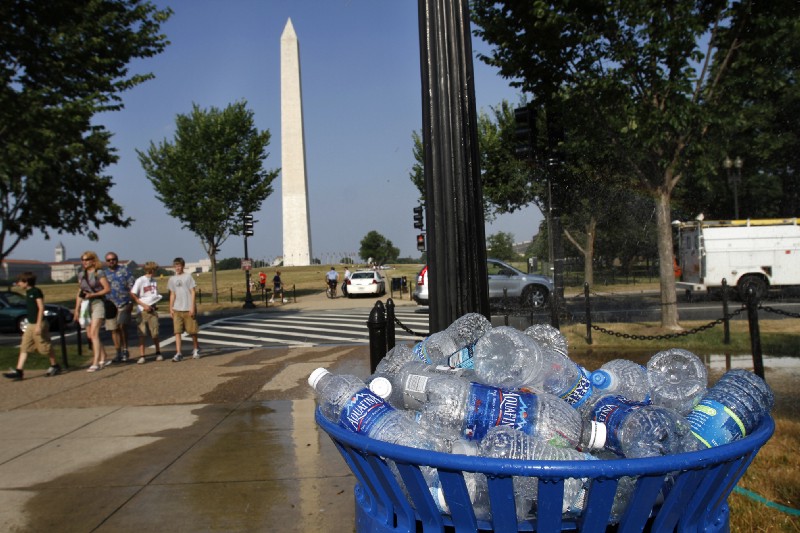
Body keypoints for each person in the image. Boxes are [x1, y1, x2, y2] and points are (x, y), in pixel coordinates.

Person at [3, 272, 62, 381]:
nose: (19, 284)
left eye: (20, 282)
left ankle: (55, 365)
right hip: (30, 324)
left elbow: (41, 307)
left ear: (26, 282)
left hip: (38, 323)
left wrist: (39, 325)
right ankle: (19, 371)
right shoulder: (28, 292)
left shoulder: (35, 292)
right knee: (24, 346)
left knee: (44, 347)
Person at [74, 251, 111, 372]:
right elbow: (80, 292)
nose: (84, 262)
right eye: (82, 260)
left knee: (94, 332)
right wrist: (76, 309)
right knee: (90, 334)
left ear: (93, 260)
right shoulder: (81, 275)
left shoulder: (99, 273)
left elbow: (107, 289)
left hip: (97, 303)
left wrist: (93, 294)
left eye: (86, 259)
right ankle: (103, 355)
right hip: (86, 305)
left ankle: (95, 362)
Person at [104, 251, 135, 363]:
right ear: (106, 262)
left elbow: (132, 287)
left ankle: (125, 349)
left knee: (122, 326)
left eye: (113, 259)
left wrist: (132, 302)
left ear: (117, 259)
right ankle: (118, 351)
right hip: (110, 304)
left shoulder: (125, 271)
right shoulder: (104, 273)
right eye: (108, 260)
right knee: (113, 329)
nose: (111, 261)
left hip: (124, 302)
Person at [168, 257, 200, 361]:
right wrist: (171, 308)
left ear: (183, 266)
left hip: (188, 308)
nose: (178, 268)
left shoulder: (188, 277)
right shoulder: (172, 279)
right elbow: (172, 294)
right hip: (177, 309)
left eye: (179, 265)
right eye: (176, 266)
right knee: (177, 331)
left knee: (192, 331)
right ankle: (178, 352)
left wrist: (192, 306)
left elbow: (193, 292)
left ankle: (196, 348)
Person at [130, 261, 162, 364]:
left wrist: (154, 305)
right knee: (142, 333)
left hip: (152, 310)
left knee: (155, 332)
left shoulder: (154, 281)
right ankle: (142, 355)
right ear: (151, 270)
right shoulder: (140, 280)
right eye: (155, 270)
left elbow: (153, 294)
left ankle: (158, 352)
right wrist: (143, 305)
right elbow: (133, 294)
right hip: (142, 310)